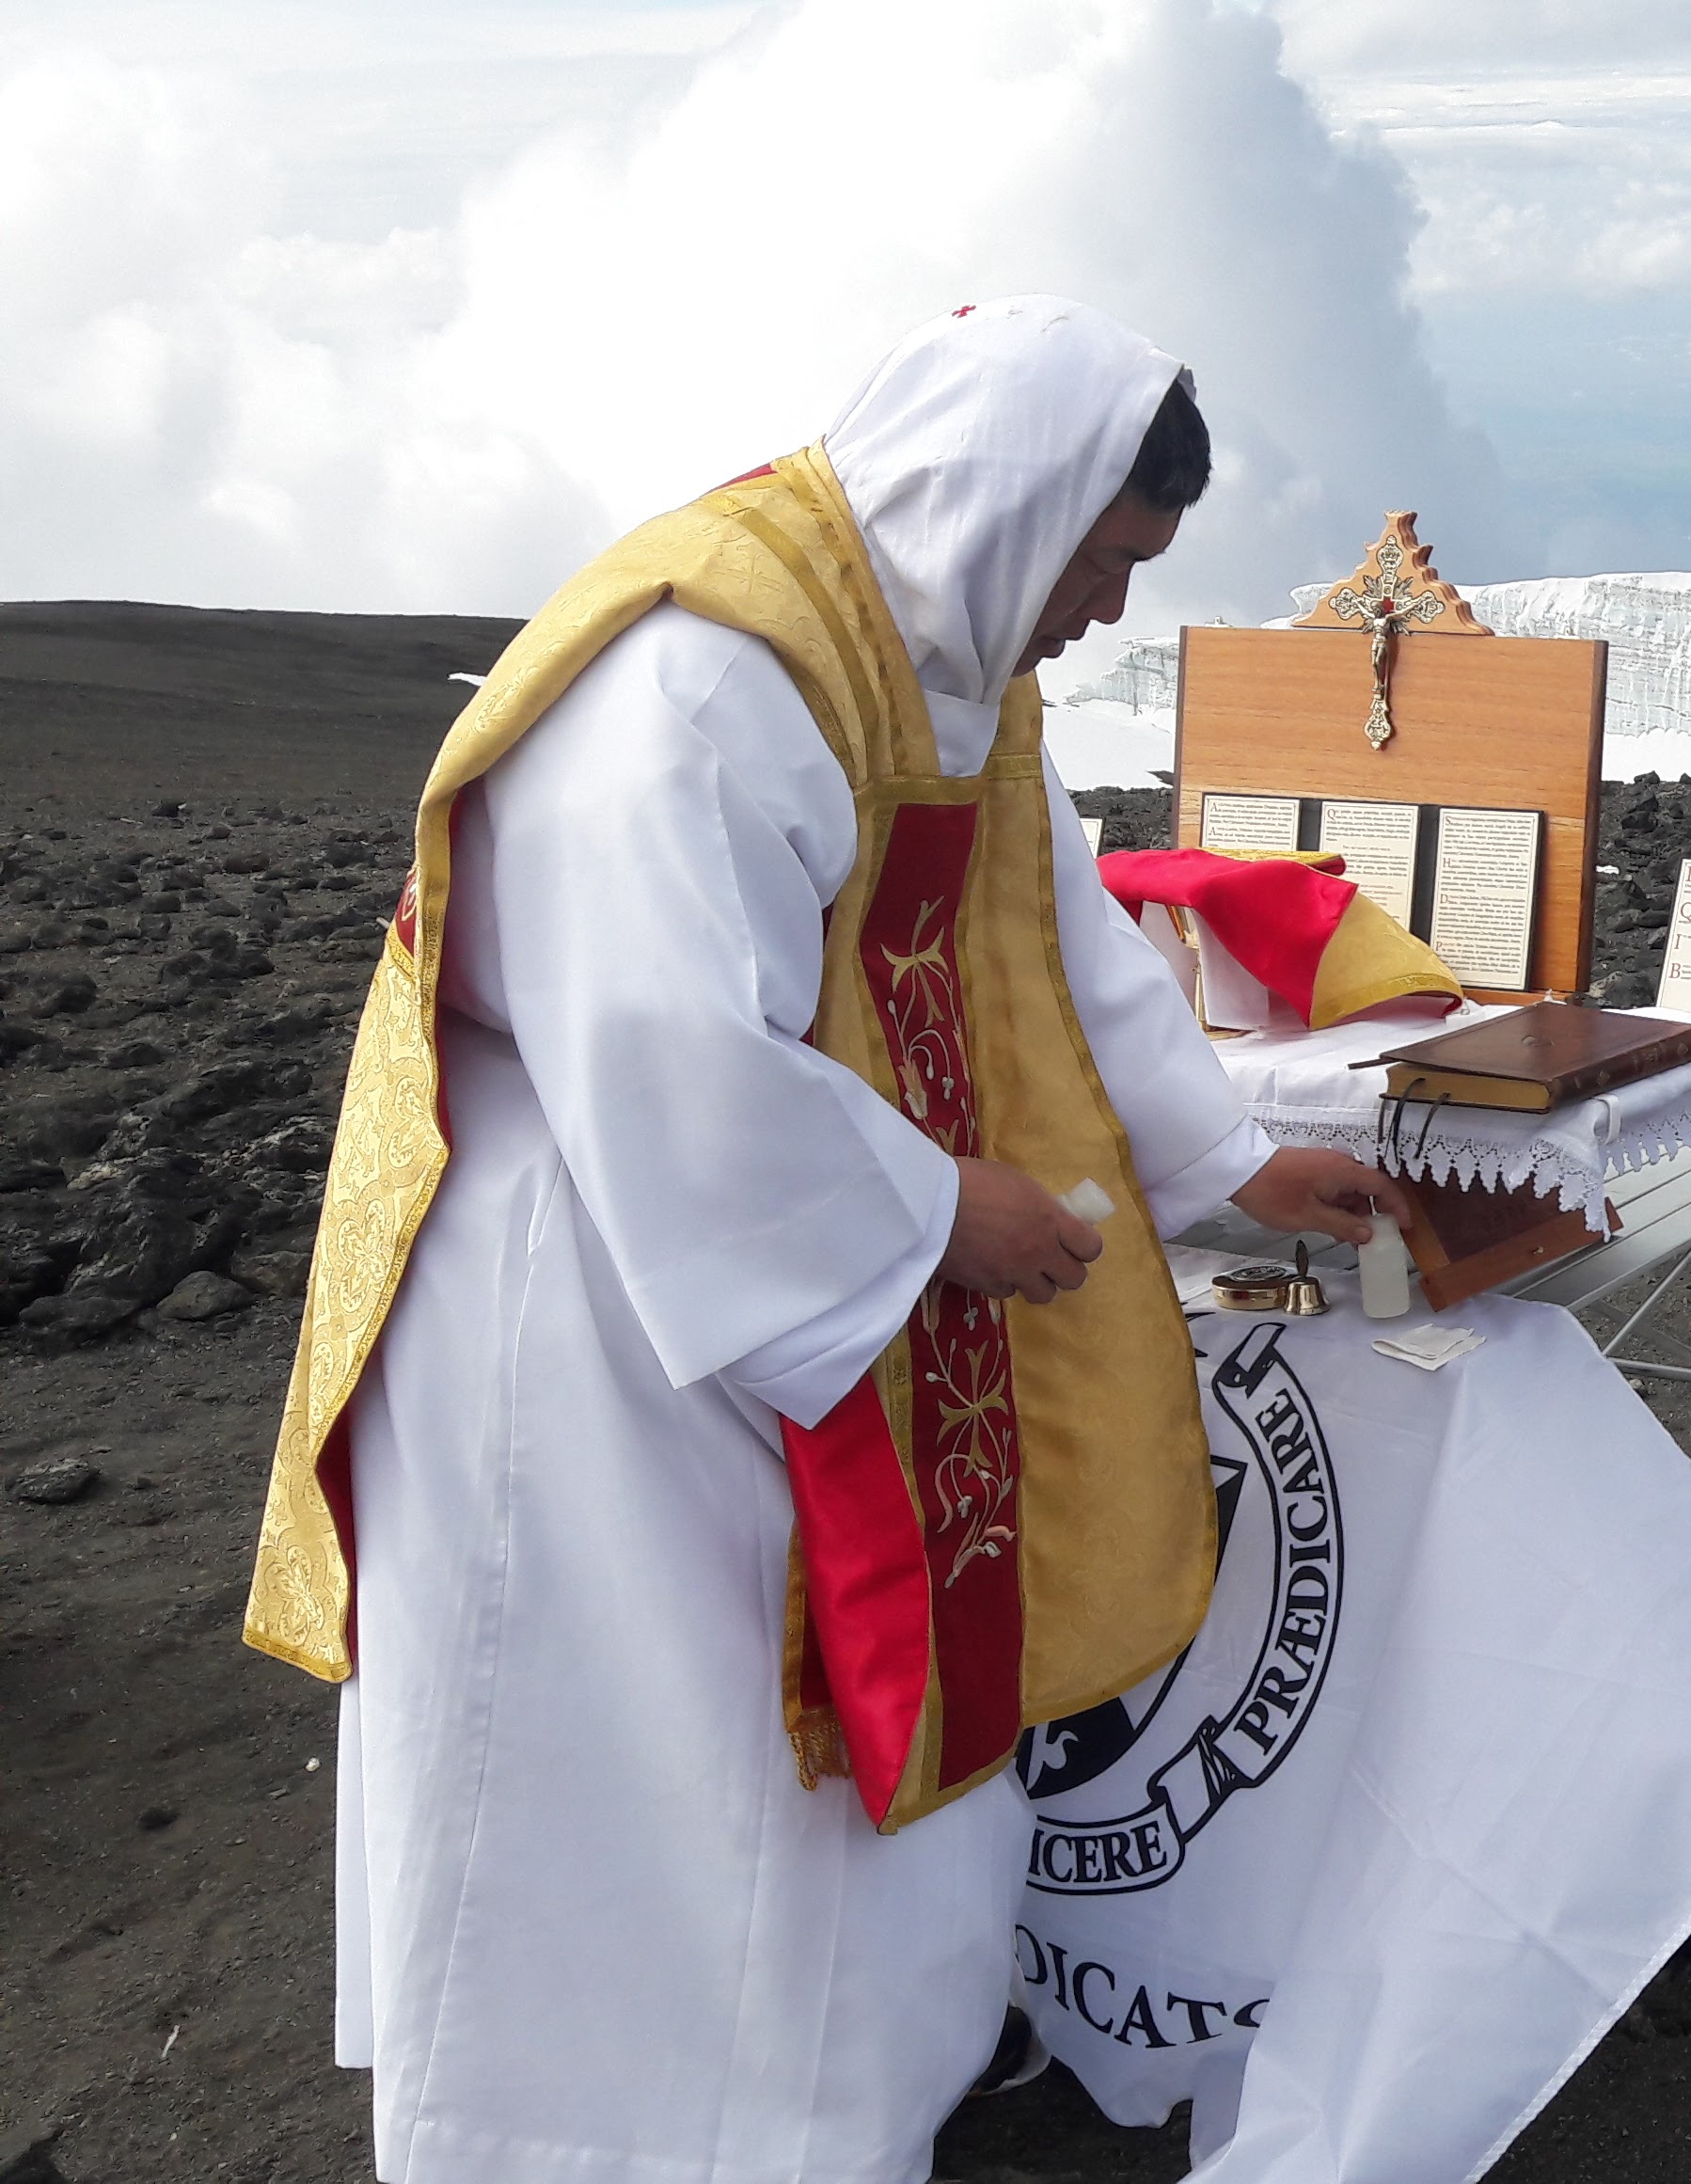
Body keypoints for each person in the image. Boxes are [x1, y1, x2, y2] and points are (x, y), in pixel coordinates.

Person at [240, 297, 1400, 2184]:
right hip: (596, 1304)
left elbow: (1051, 944)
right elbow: (654, 1045)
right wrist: (947, 1211)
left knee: (807, 1754)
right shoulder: (703, 680)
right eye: (1104, 564)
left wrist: (1233, 1156)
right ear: (1019, 509)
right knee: (640, 1758)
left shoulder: (944, 655)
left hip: (791, 1258)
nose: (1103, 614)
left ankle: (841, 2104)